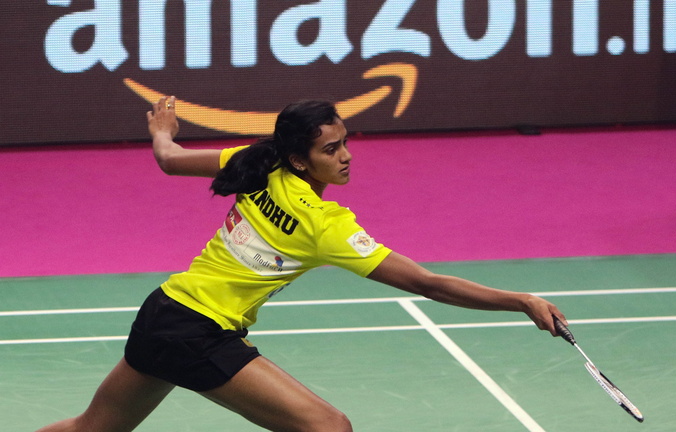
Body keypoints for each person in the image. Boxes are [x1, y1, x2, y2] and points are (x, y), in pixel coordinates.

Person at [36, 96, 566, 432]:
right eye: (331, 149)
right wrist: (520, 300)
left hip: (162, 312)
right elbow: (428, 284)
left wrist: (162, 129)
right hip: (199, 332)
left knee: (90, 429)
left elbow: (169, 160)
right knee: (329, 428)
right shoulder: (324, 224)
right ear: (299, 158)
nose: (346, 156)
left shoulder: (259, 161)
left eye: (345, 143)